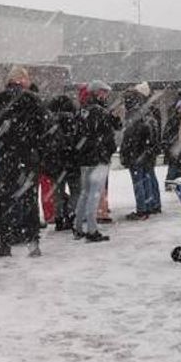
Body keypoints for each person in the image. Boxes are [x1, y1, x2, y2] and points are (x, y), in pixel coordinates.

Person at [0, 66, 47, 257]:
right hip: (28, 159)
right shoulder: (33, 100)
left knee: (6, 200)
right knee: (30, 200)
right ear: (22, 81)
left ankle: (5, 242)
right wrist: (38, 152)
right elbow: (45, 130)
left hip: (6, 159)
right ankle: (33, 242)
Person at [72, 80, 118, 242]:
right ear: (98, 92)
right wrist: (108, 150)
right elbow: (109, 134)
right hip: (98, 158)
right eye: (104, 92)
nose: (106, 96)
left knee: (85, 192)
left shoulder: (82, 111)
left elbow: (77, 136)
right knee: (94, 193)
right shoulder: (100, 112)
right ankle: (92, 229)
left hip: (84, 158)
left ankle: (78, 227)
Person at [121, 90, 162, 220]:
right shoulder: (147, 114)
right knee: (147, 180)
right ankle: (150, 205)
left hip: (136, 153)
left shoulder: (133, 116)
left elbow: (129, 138)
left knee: (138, 182)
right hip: (145, 153)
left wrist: (125, 153)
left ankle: (142, 209)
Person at [41, 94, 81, 231]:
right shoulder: (74, 121)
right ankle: (70, 215)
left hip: (55, 164)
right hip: (72, 162)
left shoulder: (49, 122)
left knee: (58, 191)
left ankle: (58, 218)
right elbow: (78, 142)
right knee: (76, 190)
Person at [163, 99, 181, 189]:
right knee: (173, 166)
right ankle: (169, 183)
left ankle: (179, 183)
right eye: (180, 108)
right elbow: (166, 134)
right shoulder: (172, 120)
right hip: (175, 146)